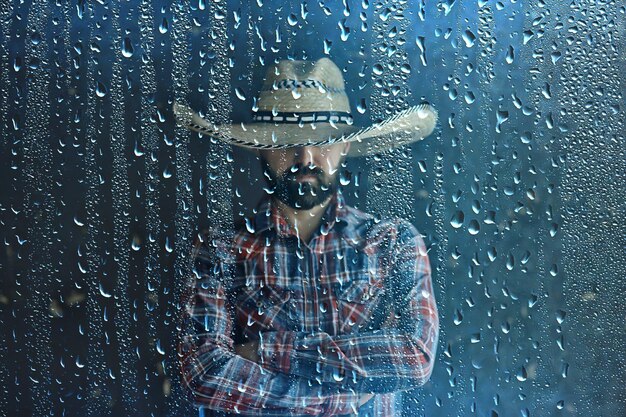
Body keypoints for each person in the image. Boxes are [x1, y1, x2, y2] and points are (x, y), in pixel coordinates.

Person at [175, 58, 439, 416]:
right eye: (286, 142)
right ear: (260, 149)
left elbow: (414, 356)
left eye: (324, 141)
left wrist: (264, 351)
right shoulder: (218, 249)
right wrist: (341, 401)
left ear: (345, 146)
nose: (306, 157)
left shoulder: (393, 242)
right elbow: (205, 372)